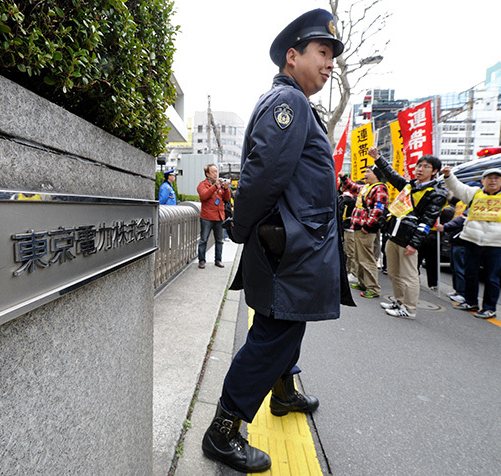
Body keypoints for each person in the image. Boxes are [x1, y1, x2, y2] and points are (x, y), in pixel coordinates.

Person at [202, 9, 353, 473]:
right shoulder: (287, 105)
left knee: (288, 325)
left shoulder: (298, 104)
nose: (330, 64)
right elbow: (262, 175)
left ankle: (283, 393)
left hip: (297, 249)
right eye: (322, 53)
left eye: (332, 56)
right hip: (289, 251)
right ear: (293, 57)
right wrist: (241, 230)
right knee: (273, 335)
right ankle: (222, 432)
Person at [440, 166, 501, 318]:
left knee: (491, 277)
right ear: (483, 181)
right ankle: (471, 301)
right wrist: (448, 175)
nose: (493, 180)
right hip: (472, 240)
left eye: (497, 178)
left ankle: (489, 308)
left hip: (495, 243)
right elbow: (457, 187)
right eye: (489, 177)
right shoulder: (475, 194)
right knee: (470, 273)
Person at [370, 147, 447, 319]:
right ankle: (399, 301)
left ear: (434, 171)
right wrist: (377, 158)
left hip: (409, 240)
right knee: (393, 272)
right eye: (419, 165)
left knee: (409, 276)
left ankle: (410, 309)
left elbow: (427, 222)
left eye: (426, 166)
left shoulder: (436, 194)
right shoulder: (409, 186)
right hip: (394, 235)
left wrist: (414, 243)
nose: (420, 169)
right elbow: (391, 175)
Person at [339, 166, 389, 298]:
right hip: (358, 227)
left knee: (366, 259)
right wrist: (344, 178)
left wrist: (367, 226)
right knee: (359, 258)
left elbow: (378, 210)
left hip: (365, 229)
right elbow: (353, 187)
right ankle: (363, 283)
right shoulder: (367, 187)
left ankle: (373, 288)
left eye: (368, 172)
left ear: (377, 175)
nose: (365, 174)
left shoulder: (380, 188)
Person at [197, 164, 231, 269]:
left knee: (219, 240)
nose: (216, 174)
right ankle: (202, 261)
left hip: (219, 216)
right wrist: (215, 186)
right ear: (207, 174)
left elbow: (227, 198)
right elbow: (204, 196)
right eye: (213, 172)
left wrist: (226, 189)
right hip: (207, 217)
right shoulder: (202, 184)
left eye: (216, 172)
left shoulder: (220, 185)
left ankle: (218, 260)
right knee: (203, 240)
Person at [435, 198, 468, 303]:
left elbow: (461, 220)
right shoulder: (459, 202)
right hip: (455, 238)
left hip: (462, 240)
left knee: (460, 268)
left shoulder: (471, 204)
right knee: (454, 267)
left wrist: (446, 227)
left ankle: (462, 293)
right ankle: (457, 290)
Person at [338, 184, 359, 282]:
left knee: (352, 252)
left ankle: (354, 273)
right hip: (346, 227)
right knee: (347, 251)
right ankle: (348, 271)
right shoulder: (343, 197)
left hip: (352, 228)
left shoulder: (354, 199)